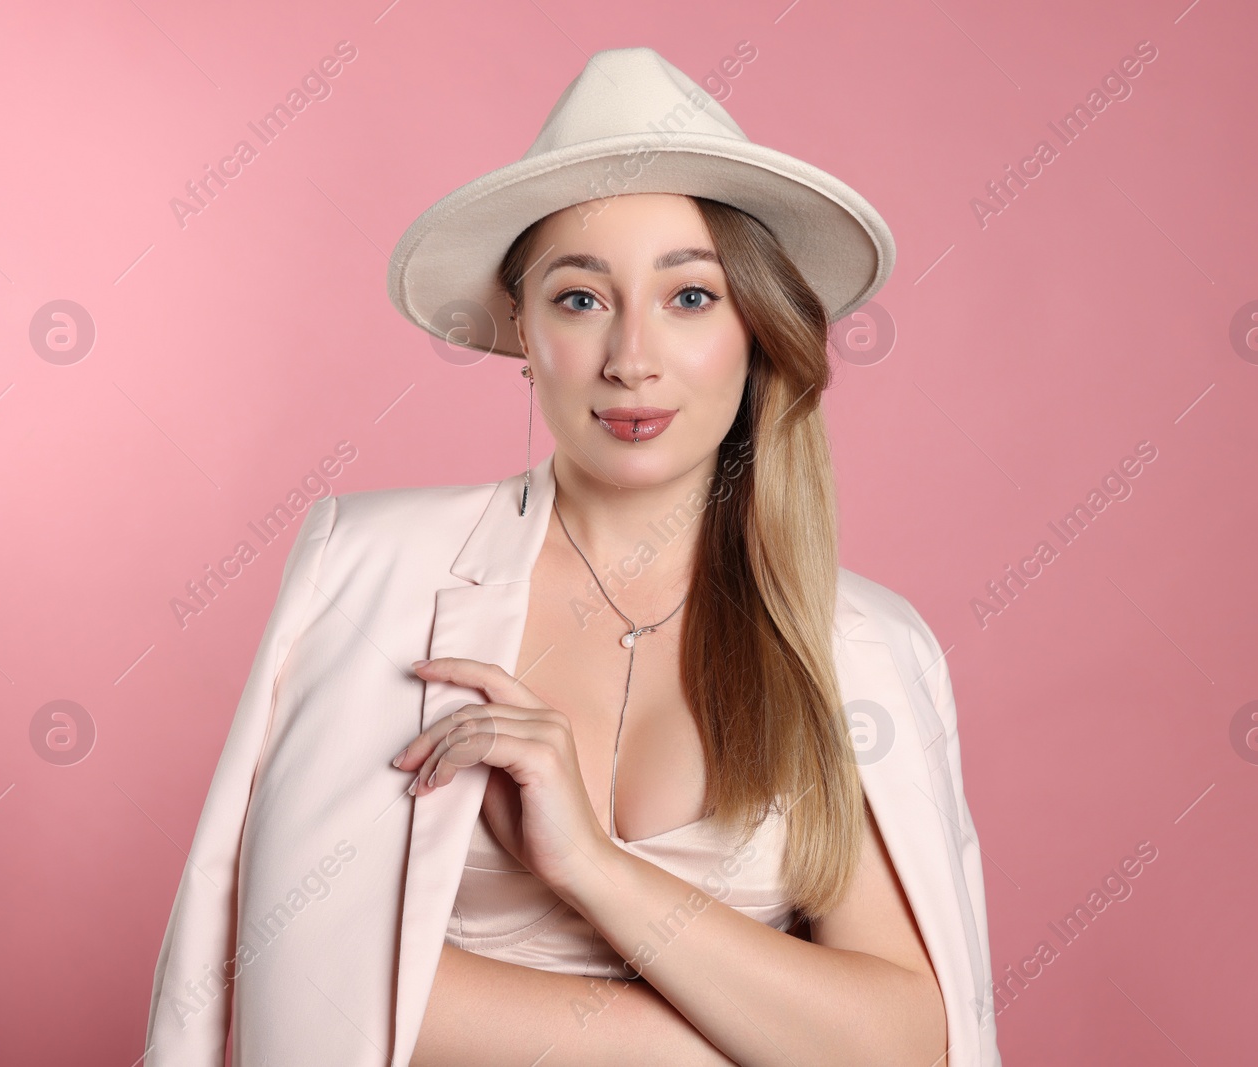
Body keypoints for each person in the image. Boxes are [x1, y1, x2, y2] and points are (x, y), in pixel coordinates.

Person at [146, 46, 1001, 1067]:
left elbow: (903, 1042)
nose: (631, 357)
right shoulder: (372, 569)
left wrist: (594, 868)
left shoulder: (860, 643)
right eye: (580, 298)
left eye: (691, 297)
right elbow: (311, 979)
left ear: (758, 328)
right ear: (518, 325)